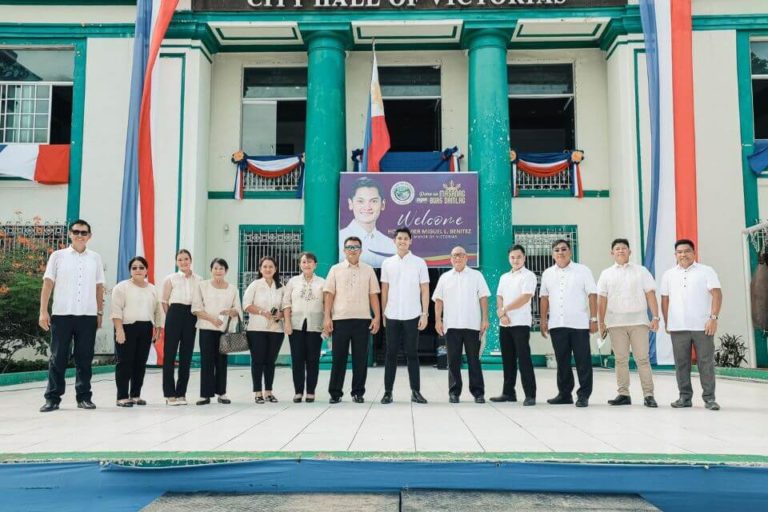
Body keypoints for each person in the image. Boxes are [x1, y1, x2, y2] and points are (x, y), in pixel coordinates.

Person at [38, 219, 105, 412]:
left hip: (87, 315)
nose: (80, 235)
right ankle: (52, 398)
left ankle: (84, 397)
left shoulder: (95, 258)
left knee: (84, 358)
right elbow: (48, 283)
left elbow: (99, 286)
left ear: (89, 236)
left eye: (84, 232)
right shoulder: (57, 256)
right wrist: (43, 311)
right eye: (76, 231)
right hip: (62, 315)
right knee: (58, 357)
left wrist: (99, 312)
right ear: (70, 234)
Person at [660, 239, 723, 411]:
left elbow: (717, 294)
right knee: (681, 363)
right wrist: (667, 322)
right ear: (675, 255)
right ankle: (684, 397)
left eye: (687, 251)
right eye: (679, 252)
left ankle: (709, 399)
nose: (683, 254)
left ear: (694, 253)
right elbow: (664, 300)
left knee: (706, 362)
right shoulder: (669, 274)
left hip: (703, 326)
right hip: (678, 327)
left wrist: (713, 318)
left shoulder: (706, 271)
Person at [597, 239, 659, 408]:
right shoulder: (606, 274)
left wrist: (655, 317)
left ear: (629, 252)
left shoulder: (641, 271)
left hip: (639, 322)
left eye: (624, 248)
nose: (620, 251)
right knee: (620, 359)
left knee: (642, 359)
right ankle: (623, 393)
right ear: (612, 253)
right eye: (617, 249)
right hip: (616, 323)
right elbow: (601, 299)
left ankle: (648, 395)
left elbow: (650, 294)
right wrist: (601, 322)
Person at [540, 239, 597, 408]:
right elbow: (544, 297)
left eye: (564, 249)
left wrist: (594, 319)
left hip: (579, 324)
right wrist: (543, 320)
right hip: (557, 324)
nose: (560, 252)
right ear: (552, 254)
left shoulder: (583, 271)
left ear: (570, 252)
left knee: (583, 361)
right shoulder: (547, 273)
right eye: (557, 250)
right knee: (562, 361)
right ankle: (564, 394)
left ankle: (584, 395)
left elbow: (592, 294)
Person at [324, 236, 381, 404]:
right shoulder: (335, 269)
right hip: (340, 320)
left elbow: (373, 295)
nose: (352, 250)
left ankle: (358, 392)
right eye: (349, 247)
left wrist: (376, 317)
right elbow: (329, 294)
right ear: (344, 250)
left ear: (361, 250)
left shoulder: (368, 270)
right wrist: (327, 317)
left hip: (362, 320)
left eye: (356, 247)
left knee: (360, 359)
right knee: (338, 358)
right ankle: (335, 393)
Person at [433, 246, 490, 404]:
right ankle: (454, 392)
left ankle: (478, 393)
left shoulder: (476, 275)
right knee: (453, 361)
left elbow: (484, 298)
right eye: (454, 256)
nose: (457, 258)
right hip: (451, 326)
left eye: (460, 255)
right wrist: (438, 320)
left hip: (472, 325)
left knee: (474, 360)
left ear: (466, 258)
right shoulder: (444, 277)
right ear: (450, 259)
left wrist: (485, 319)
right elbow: (438, 300)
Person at [380, 227, 430, 404]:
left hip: (412, 314)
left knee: (412, 353)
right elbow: (384, 289)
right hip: (392, 314)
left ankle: (415, 391)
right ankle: (388, 392)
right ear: (394, 241)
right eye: (399, 238)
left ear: (411, 241)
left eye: (405, 238)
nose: (402, 241)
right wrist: (383, 312)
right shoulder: (387, 263)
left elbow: (425, 290)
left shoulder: (419, 263)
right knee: (391, 353)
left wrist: (424, 314)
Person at [110, 256, 163, 407]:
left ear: (146, 270)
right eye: (134, 268)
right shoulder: (121, 287)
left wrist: (158, 329)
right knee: (125, 363)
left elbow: (157, 311)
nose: (138, 270)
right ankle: (121, 396)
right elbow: (116, 310)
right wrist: (119, 330)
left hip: (146, 328)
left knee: (140, 363)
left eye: (141, 267)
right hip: (126, 328)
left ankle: (135, 395)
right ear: (130, 271)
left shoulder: (152, 289)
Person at [191, 258, 241, 406]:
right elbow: (196, 308)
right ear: (211, 270)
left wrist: (232, 311)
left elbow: (237, 308)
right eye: (215, 268)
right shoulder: (202, 286)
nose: (218, 271)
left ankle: (222, 393)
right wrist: (212, 319)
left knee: (222, 361)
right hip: (207, 328)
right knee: (207, 361)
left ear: (226, 271)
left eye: (221, 268)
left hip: (223, 330)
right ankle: (205, 395)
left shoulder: (232, 289)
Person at [492, 245, 537, 406]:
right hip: (505, 324)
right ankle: (508, 393)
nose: (515, 260)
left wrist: (505, 309)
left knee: (524, 359)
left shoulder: (528, 276)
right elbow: (499, 296)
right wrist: (502, 314)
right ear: (509, 259)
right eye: (512, 257)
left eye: (518, 257)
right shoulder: (505, 277)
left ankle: (530, 394)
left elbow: (525, 297)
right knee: (508, 359)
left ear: (524, 258)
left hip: (520, 323)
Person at [282, 252, 326, 403]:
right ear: (300, 264)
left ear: (315, 265)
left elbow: (327, 304)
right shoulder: (293, 282)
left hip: (315, 326)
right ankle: (298, 391)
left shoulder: (322, 282)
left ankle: (311, 391)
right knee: (297, 359)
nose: (306, 264)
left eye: (309, 262)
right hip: (296, 325)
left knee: (313, 359)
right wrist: (287, 322)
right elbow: (286, 303)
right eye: (303, 262)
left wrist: (327, 322)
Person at [161, 249, 201, 406]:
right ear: (176, 262)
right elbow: (164, 301)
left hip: (191, 315)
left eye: (186, 259)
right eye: (180, 259)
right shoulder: (171, 279)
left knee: (186, 356)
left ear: (191, 260)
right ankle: (169, 394)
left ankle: (181, 393)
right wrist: (170, 316)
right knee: (169, 355)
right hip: (174, 313)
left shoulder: (199, 279)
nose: (183, 262)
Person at [243, 256, 285, 404]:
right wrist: (262, 312)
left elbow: (286, 307)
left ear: (276, 269)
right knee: (257, 361)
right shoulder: (255, 285)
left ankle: (268, 392)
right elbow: (246, 305)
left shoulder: (281, 287)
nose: (268, 269)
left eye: (271, 267)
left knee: (270, 361)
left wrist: (280, 314)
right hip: (256, 329)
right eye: (265, 267)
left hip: (276, 330)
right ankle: (258, 392)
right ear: (260, 269)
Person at [338, 177, 396, 267]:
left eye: (374, 201)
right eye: (360, 201)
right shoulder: (339, 239)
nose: (367, 207)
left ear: (383, 204)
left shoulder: (391, 245)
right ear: (350, 203)